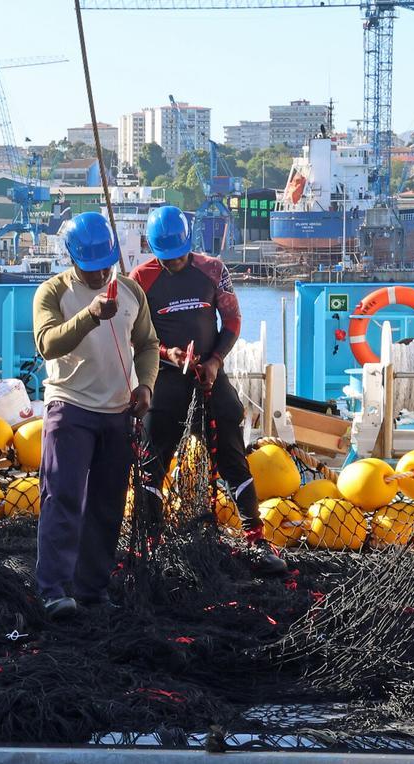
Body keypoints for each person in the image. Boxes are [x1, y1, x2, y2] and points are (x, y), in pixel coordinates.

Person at [131, 206, 285, 573]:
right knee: (153, 457)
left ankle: (254, 536)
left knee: (232, 436)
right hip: (166, 376)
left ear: (190, 245)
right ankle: (151, 544)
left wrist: (215, 361)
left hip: (209, 373)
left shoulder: (213, 269)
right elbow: (135, 335)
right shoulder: (140, 278)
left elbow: (231, 318)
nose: (174, 263)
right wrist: (168, 353)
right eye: (166, 258)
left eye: (180, 255)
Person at [33, 212, 159, 619]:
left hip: (117, 414)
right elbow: (46, 344)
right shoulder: (51, 293)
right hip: (70, 409)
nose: (100, 272)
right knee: (63, 498)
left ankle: (92, 588)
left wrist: (146, 386)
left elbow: (148, 344)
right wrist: (89, 315)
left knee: (107, 504)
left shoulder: (131, 293)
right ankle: (53, 589)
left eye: (105, 263)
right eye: (91, 267)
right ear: (71, 259)